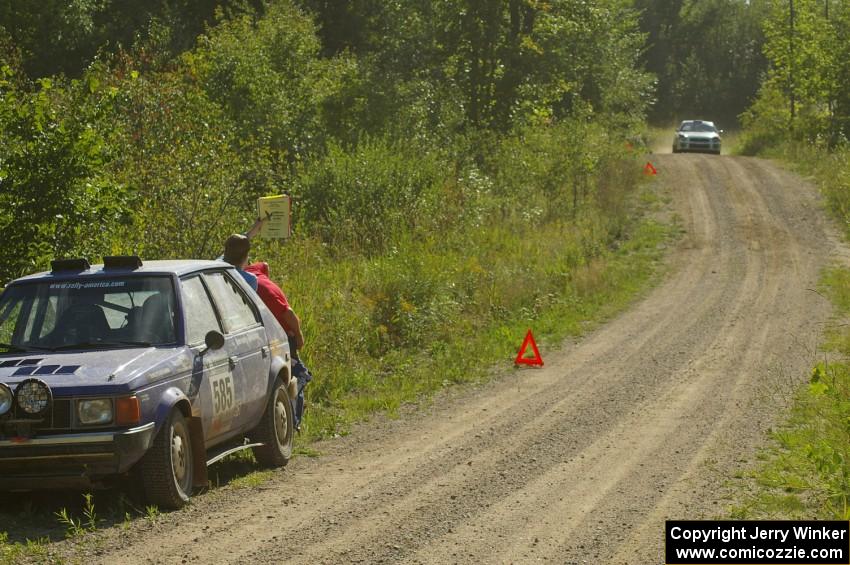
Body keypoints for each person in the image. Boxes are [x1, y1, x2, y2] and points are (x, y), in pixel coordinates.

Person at [244, 261, 312, 431]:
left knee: (291, 376)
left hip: (272, 337)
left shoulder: (246, 277)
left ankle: (293, 414)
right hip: (282, 339)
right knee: (300, 376)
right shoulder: (263, 288)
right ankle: (293, 420)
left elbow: (264, 264)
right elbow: (288, 313)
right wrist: (299, 334)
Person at [219, 218, 266, 291]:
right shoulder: (250, 280)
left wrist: (253, 229)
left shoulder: (216, 267)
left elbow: (234, 246)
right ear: (245, 257)